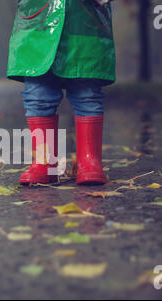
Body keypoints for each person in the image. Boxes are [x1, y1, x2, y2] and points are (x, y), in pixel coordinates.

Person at [7, 0, 116, 185]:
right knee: (38, 97)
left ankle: (89, 162)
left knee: (87, 95)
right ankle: (44, 163)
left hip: (85, 25)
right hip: (37, 24)